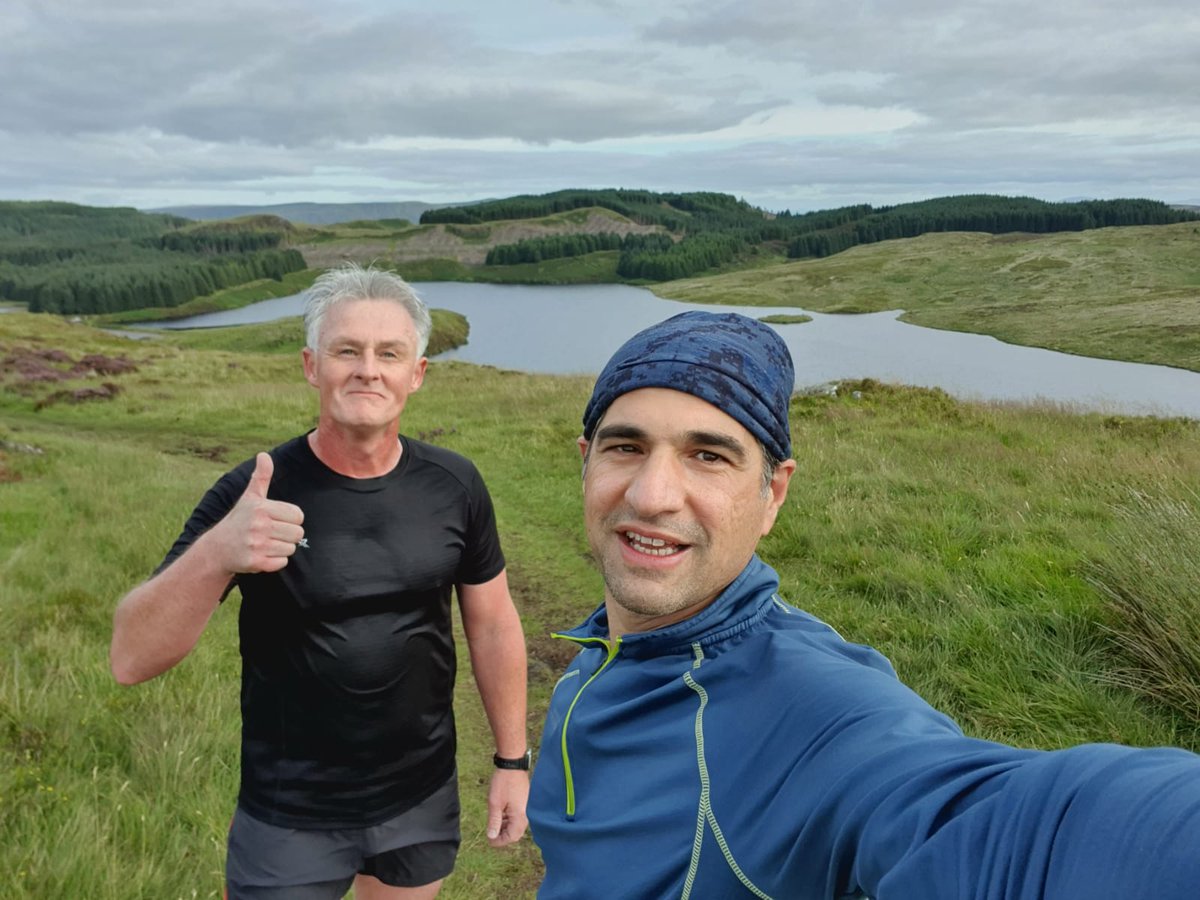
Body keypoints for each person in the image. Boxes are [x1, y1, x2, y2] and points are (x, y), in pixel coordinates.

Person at [527, 310, 1200, 899]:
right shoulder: (608, 646)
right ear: (586, 462)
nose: (651, 496)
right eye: (626, 446)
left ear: (774, 495)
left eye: (708, 456)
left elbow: (988, 823)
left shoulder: (812, 710)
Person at [110, 263, 530, 900]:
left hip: (420, 795)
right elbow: (130, 658)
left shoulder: (455, 484)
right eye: (346, 351)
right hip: (289, 814)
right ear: (312, 366)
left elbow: (494, 622)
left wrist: (510, 761)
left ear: (416, 373)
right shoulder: (252, 490)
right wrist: (219, 551)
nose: (368, 369)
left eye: (389, 353)